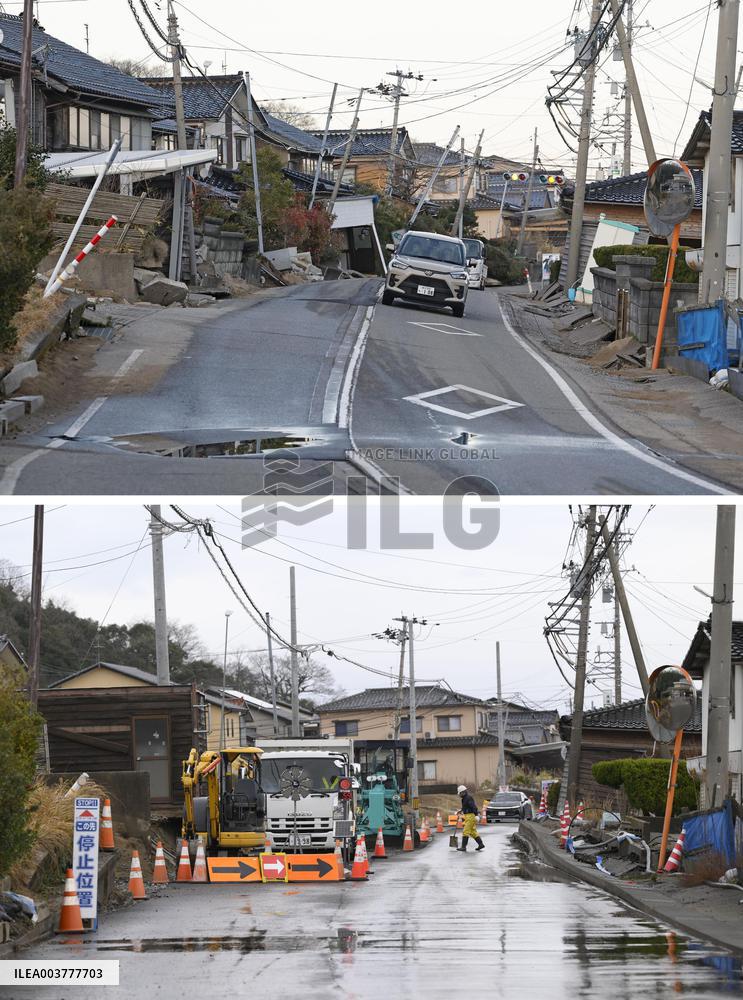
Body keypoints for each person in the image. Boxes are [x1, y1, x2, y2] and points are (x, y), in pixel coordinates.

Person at [456, 784, 484, 852]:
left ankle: (463, 847)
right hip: (467, 816)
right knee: (472, 832)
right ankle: (481, 844)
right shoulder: (464, 799)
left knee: (466, 831)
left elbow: (473, 807)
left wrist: (476, 815)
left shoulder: (469, 798)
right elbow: (465, 807)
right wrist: (461, 810)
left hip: (471, 816)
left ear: (463, 792)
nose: (459, 795)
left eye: (460, 793)